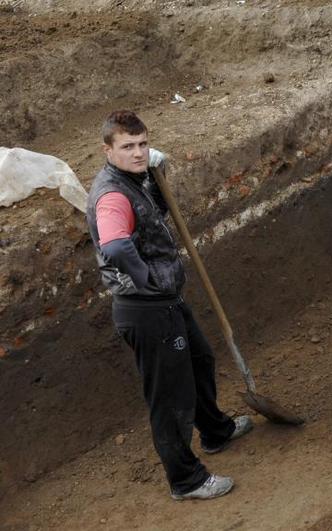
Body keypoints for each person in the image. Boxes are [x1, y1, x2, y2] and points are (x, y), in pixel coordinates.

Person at [85, 110, 253, 500]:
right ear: (107, 150)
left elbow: (150, 216)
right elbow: (113, 244)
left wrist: (155, 180)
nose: (138, 152)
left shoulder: (135, 178)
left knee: (199, 359)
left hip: (166, 300)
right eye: (127, 147)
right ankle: (186, 480)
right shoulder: (111, 194)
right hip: (146, 310)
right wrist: (143, 276)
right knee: (170, 397)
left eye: (143, 144)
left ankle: (215, 431)